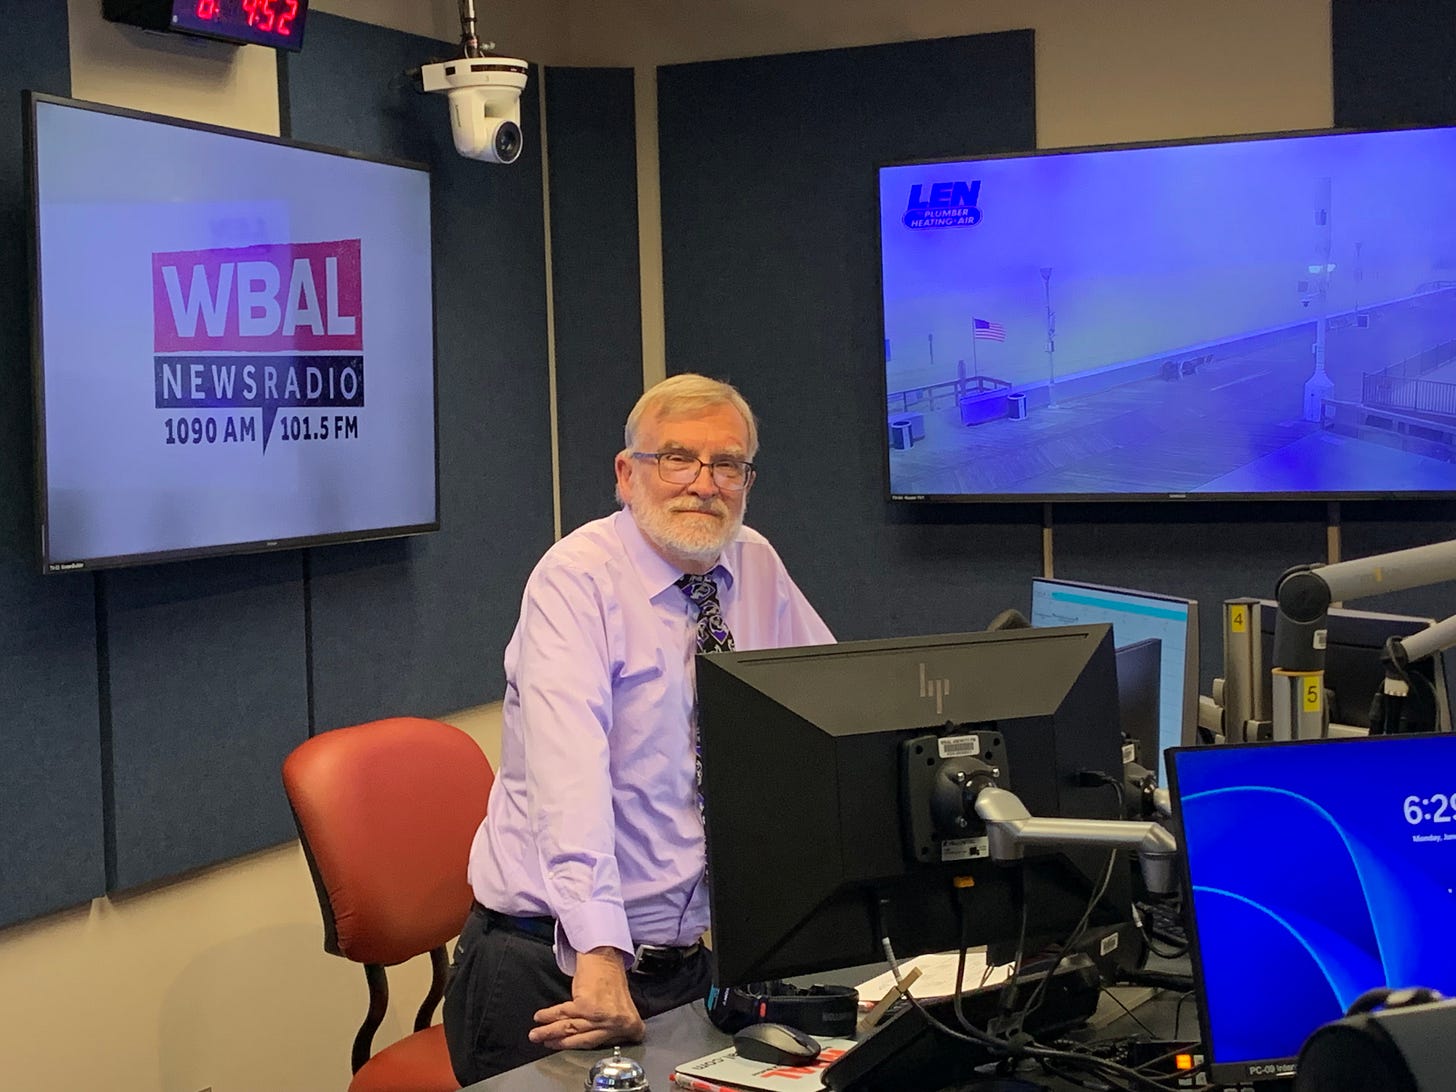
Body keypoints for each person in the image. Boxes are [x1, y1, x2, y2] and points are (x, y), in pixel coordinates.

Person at [444, 373, 834, 1082]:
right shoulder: (576, 580)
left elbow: (829, 711)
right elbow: (572, 783)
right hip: (553, 966)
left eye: (728, 465)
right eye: (678, 458)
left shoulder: (755, 564)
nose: (704, 484)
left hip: (690, 964)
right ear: (628, 474)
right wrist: (599, 954)